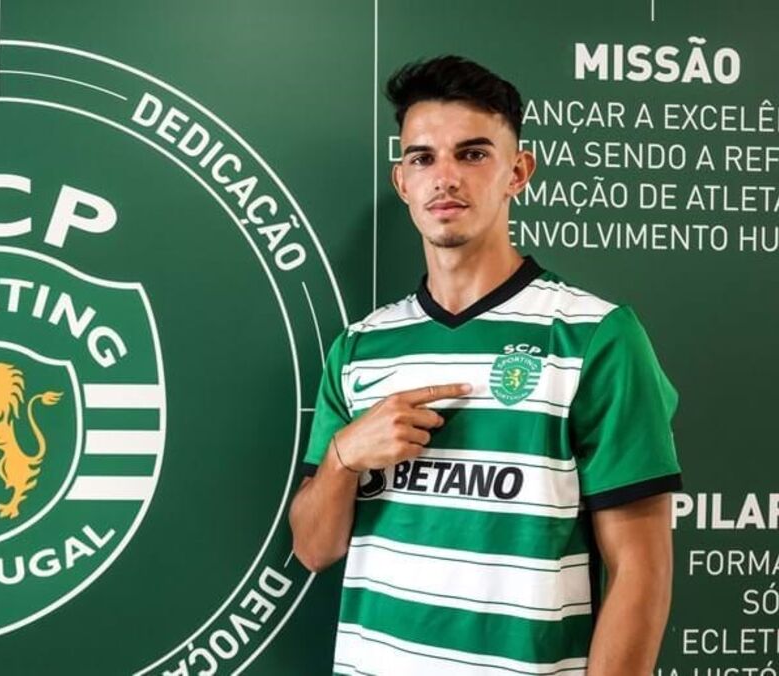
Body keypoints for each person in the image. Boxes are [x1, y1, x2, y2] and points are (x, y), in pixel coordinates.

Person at [289, 55, 681, 675]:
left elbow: (642, 567)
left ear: (517, 172)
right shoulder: (360, 347)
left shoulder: (595, 336)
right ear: (402, 182)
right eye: (423, 158)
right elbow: (314, 549)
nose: (445, 177)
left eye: (472, 154)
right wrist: (343, 457)